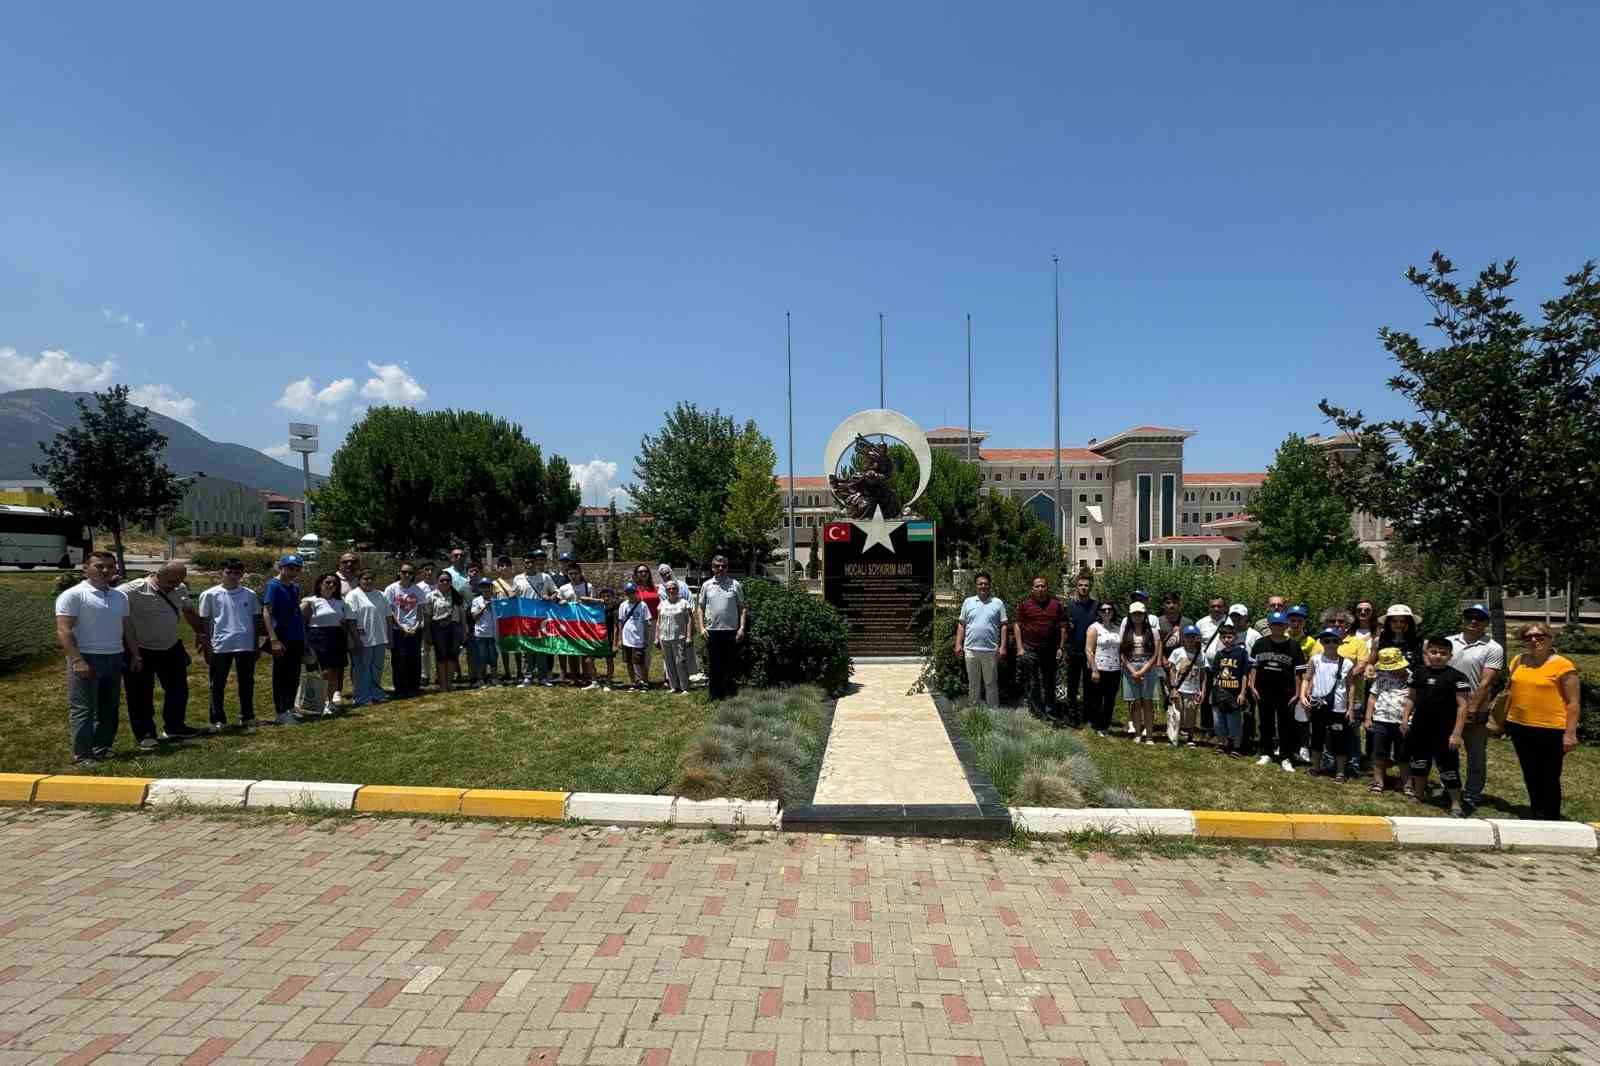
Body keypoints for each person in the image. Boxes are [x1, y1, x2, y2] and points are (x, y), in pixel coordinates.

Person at [54, 550, 141, 765]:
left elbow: (127, 627)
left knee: (109, 706)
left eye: (110, 567)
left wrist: (135, 654)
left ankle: (101, 748)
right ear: (86, 568)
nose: (105, 570)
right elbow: (64, 630)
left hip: (114, 656)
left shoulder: (120, 596)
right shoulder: (73, 595)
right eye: (99, 566)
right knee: (84, 708)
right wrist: (77, 660)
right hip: (87, 657)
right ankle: (82, 755)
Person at [1504, 623, 1581, 820]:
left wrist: (1570, 733)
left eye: (1539, 635)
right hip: (1519, 725)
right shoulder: (1517, 660)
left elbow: (1573, 703)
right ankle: (1536, 810)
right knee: (1530, 771)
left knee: (1549, 775)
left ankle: (1551, 815)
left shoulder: (1563, 665)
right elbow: (1510, 690)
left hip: (1551, 729)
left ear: (1550, 638)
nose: (1534, 640)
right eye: (1528, 636)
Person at [122, 561, 204, 748]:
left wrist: (201, 633)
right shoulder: (131, 590)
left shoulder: (180, 588)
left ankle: (175, 726)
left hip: (171, 646)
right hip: (141, 649)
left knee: (178, 690)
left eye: (178, 583)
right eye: (171, 583)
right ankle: (146, 735)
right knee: (140, 694)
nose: (174, 587)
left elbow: (189, 611)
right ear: (158, 575)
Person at [1402, 635, 1471, 815]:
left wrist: (1456, 734)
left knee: (1448, 767)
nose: (1438, 656)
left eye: (1443, 653)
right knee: (1419, 763)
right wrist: (1404, 720)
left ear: (1450, 655)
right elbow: (1410, 698)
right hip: (1420, 728)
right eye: (1434, 652)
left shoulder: (1457, 677)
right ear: (1427, 653)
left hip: (1445, 731)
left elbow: (1463, 706)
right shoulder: (1418, 673)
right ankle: (1418, 795)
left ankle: (1456, 802)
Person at [1448, 604, 1506, 816]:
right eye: (1470, 617)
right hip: (1448, 707)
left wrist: (1471, 708)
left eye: (1479, 618)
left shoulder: (1492, 647)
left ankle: (1472, 795)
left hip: (1475, 710)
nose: (1473, 621)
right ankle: (1452, 789)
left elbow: (1486, 682)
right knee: (1447, 752)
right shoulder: (1450, 642)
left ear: (1486, 622)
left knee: (1476, 756)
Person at [197, 560, 262, 729]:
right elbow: (204, 621)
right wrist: (207, 646)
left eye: (237, 573)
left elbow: (256, 620)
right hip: (220, 645)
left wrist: (255, 644)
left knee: (247, 683)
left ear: (242, 574)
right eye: (229, 572)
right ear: (221, 572)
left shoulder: (250, 594)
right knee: (217, 684)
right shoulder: (209, 594)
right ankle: (217, 719)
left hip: (245, 645)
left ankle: (247, 716)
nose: (233, 576)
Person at [1251, 611, 1306, 771]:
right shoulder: (1260, 643)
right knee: (1265, 722)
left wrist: (1297, 693)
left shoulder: (1294, 646)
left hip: (1286, 692)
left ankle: (1285, 756)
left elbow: (1298, 672)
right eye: (1274, 625)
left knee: (1285, 725)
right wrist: (1252, 686)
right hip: (1263, 690)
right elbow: (1254, 666)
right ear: (1269, 626)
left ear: (1286, 626)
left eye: (1281, 625)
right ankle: (1266, 752)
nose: (1278, 628)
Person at [302, 572, 359, 717]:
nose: (331, 585)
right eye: (327, 582)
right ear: (320, 584)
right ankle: (318, 702)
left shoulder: (341, 602)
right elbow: (303, 623)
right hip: (318, 638)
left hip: (337, 637)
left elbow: (346, 621)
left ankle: (330, 702)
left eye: (334, 583)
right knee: (324, 672)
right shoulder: (310, 601)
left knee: (335, 672)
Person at [1302, 626, 1355, 781]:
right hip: (1318, 705)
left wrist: (1350, 708)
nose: (1330, 644)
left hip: (1338, 707)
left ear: (1340, 643)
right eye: (1326, 641)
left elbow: (1351, 686)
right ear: (1321, 642)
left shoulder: (1347, 663)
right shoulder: (1315, 659)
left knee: (1339, 739)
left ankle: (1340, 772)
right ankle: (1315, 767)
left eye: (1334, 640)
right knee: (1317, 737)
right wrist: (1303, 695)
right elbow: (1306, 678)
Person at [1012, 576, 1066, 723]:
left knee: (1049, 682)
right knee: (1032, 682)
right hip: (1030, 649)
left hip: (1050, 650)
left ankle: (1050, 713)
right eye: (1037, 586)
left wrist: (1061, 647)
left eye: (1042, 586)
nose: (1040, 589)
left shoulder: (1056, 605)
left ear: (1047, 588)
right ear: (1032, 589)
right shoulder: (1024, 605)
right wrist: (1020, 647)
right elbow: (1017, 625)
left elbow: (1062, 626)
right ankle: (1037, 713)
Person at [261, 554, 306, 725]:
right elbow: (267, 612)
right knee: (281, 675)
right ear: (281, 567)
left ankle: (289, 706)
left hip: (296, 636)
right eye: (289, 568)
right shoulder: (273, 586)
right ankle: (280, 711)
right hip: (281, 636)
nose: (292, 572)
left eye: (296, 569)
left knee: (293, 674)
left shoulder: (294, 587)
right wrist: (273, 638)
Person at [696, 555, 747, 700]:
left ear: (727, 567)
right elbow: (700, 607)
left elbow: (742, 608)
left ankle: (730, 694)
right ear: (712, 568)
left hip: (731, 630)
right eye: (717, 566)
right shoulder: (707, 585)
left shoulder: (735, 585)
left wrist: (741, 627)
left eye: (723, 566)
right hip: (712, 631)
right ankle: (714, 695)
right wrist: (701, 627)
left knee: (730, 664)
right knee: (714, 665)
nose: (720, 569)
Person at [955, 571, 1007, 708]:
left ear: (990, 586)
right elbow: (961, 624)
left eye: (985, 584)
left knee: (990, 682)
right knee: (973, 682)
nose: (983, 586)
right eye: (980, 584)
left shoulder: (998, 603)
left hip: (990, 650)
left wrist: (1002, 646)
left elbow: (1004, 626)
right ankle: (974, 709)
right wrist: (958, 644)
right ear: (975, 586)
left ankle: (993, 710)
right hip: (970, 649)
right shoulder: (968, 602)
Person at [1364, 647, 1411, 794]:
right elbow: (1372, 697)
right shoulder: (1381, 677)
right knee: (1379, 752)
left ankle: (1406, 783)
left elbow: (1413, 699)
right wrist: (1368, 718)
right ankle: (1378, 782)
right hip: (1381, 719)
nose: (1392, 671)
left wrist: (1406, 721)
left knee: (1403, 754)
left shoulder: (1412, 678)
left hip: (1403, 722)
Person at [345, 569, 390, 707]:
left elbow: (388, 617)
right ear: (359, 580)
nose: (369, 581)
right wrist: (356, 639)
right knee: (362, 669)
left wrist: (390, 637)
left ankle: (376, 693)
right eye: (365, 578)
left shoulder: (381, 595)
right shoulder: (353, 595)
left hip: (380, 638)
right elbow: (351, 620)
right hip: (363, 639)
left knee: (377, 668)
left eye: (371, 578)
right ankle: (362, 696)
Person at [513, 551, 559, 686]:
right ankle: (527, 676)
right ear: (523, 564)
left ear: (536, 563)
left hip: (541, 618)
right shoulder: (518, 579)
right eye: (526, 562)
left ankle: (542, 677)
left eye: (532, 562)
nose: (529, 565)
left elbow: (556, 591)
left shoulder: (545, 577)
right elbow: (514, 593)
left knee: (541, 647)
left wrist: (550, 598)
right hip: (524, 618)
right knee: (526, 648)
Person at [1208, 622, 1252, 756]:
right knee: (1219, 722)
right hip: (1219, 693)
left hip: (1234, 693)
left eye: (1229, 637)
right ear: (1220, 638)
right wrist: (1212, 693)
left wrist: (1243, 693)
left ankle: (1236, 747)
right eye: (1224, 637)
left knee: (1234, 722)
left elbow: (1245, 674)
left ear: (1235, 637)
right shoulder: (1219, 654)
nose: (1227, 640)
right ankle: (1222, 744)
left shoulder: (1241, 653)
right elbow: (1215, 675)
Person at [1120, 602, 1161, 744]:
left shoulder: (1153, 631)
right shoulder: (1125, 631)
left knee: (1147, 702)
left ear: (1145, 615)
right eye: (1134, 614)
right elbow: (1122, 654)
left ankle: (1149, 735)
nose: (1137, 616)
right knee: (1136, 703)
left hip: (1148, 668)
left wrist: (1143, 670)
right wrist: (1133, 671)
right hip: (1130, 668)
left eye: (1140, 614)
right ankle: (1137, 734)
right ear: (1130, 615)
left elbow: (1155, 654)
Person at [1062, 574, 1099, 727]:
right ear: (1076, 587)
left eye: (1086, 585)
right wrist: (1063, 648)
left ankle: (1087, 715)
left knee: (1089, 686)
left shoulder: (1097, 605)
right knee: (1072, 685)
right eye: (1081, 585)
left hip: (1091, 653)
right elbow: (1064, 628)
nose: (1083, 588)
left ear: (1090, 588)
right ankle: (1072, 715)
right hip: (1073, 652)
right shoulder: (1070, 605)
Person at [384, 562, 426, 698]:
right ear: (399, 573)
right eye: (404, 572)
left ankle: (414, 687)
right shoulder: (391, 589)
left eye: (410, 573)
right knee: (399, 659)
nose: (407, 575)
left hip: (415, 629)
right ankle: (400, 688)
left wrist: (415, 626)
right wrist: (401, 627)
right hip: (398, 629)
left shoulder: (418, 590)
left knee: (414, 658)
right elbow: (389, 611)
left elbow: (420, 610)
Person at [1164, 625, 1207, 747]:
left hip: (1193, 690)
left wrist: (1202, 691)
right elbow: (1171, 670)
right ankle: (1173, 737)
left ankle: (1190, 738)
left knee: (1190, 715)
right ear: (1183, 638)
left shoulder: (1201, 655)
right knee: (1176, 713)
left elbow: (1203, 675)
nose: (1190, 639)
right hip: (1179, 688)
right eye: (1188, 636)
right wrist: (1173, 688)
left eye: (1193, 637)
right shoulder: (1178, 652)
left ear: (1197, 638)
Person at [1084, 603, 1122, 735]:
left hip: (1115, 669)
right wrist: (1094, 670)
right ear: (1098, 612)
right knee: (1097, 699)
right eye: (1103, 610)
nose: (1106, 612)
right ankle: (1096, 725)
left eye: (1109, 609)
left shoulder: (1117, 629)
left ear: (1113, 611)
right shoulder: (1094, 628)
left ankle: (1105, 725)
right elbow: (1088, 650)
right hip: (1099, 668)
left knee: (1110, 699)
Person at [659, 562, 699, 682]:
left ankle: (688, 676)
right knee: (669, 653)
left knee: (686, 651)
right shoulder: (661, 590)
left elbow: (690, 602)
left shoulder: (683, 585)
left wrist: (690, 622)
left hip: (685, 621)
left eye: (668, 573)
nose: (666, 575)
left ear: (671, 572)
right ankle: (671, 678)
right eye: (663, 574)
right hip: (670, 625)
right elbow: (663, 607)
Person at [426, 578, 465, 692]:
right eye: (442, 580)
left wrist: (464, 630)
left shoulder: (456, 596)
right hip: (438, 628)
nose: (445, 582)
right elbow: (428, 616)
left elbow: (462, 615)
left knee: (453, 656)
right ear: (437, 582)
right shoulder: (431, 596)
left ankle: (449, 682)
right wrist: (428, 632)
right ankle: (442, 684)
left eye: (447, 580)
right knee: (441, 657)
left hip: (455, 628)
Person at [656, 579, 694, 694]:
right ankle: (673, 686)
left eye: (674, 588)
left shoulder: (684, 603)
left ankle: (685, 687)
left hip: (679, 637)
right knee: (669, 662)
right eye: (668, 589)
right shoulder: (662, 604)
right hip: (665, 638)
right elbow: (658, 621)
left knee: (680, 662)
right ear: (666, 591)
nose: (671, 590)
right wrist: (656, 637)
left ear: (678, 589)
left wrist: (689, 636)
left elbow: (689, 621)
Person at [615, 582, 651, 689]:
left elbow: (646, 623)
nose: (630, 595)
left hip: (638, 639)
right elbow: (621, 622)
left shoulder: (643, 605)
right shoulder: (623, 605)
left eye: (632, 592)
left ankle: (645, 682)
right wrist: (620, 639)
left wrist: (645, 639)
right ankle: (633, 682)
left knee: (640, 662)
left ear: (636, 592)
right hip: (627, 639)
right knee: (629, 662)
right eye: (628, 593)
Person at [631, 564, 661, 687]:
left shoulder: (656, 588)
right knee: (636, 649)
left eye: (645, 571)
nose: (643, 574)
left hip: (653, 621)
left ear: (649, 573)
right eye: (640, 572)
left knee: (647, 650)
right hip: (637, 622)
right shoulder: (633, 588)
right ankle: (637, 678)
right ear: (636, 574)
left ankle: (645, 677)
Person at [492, 555, 519, 683]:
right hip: (501, 619)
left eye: (507, 565)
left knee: (517, 644)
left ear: (511, 568)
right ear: (497, 569)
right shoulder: (494, 584)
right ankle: (507, 671)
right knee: (504, 646)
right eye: (501, 565)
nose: (504, 568)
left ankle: (520, 671)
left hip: (516, 618)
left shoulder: (517, 582)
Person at [469, 577, 499, 688]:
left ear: (491, 588)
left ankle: (494, 678)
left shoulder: (496, 600)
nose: (486, 589)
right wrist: (484, 607)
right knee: (481, 657)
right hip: (481, 634)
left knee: (493, 657)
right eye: (484, 587)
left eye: (488, 586)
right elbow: (474, 617)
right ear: (480, 589)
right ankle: (480, 679)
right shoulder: (476, 600)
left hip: (493, 634)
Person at [415, 563, 438, 686]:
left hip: (439, 622)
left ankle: (440, 674)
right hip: (424, 622)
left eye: (432, 570)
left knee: (440, 650)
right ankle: (425, 675)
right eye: (426, 570)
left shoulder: (440, 585)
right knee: (424, 650)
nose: (429, 572)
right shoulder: (418, 587)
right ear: (422, 572)